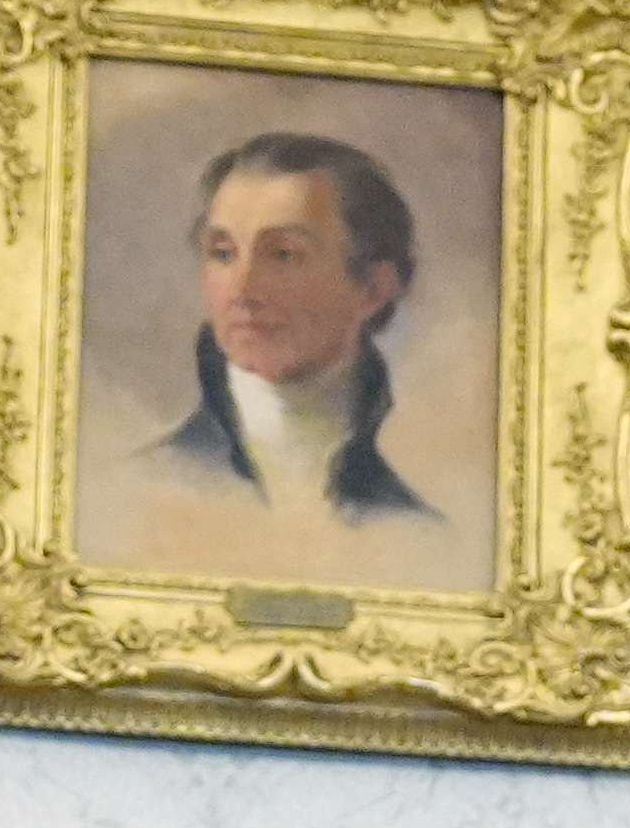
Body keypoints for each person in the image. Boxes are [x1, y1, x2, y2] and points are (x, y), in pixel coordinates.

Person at [103, 133, 443, 546]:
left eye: (283, 254)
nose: (242, 289)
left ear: (374, 288)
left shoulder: (419, 536)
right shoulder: (129, 494)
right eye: (223, 253)